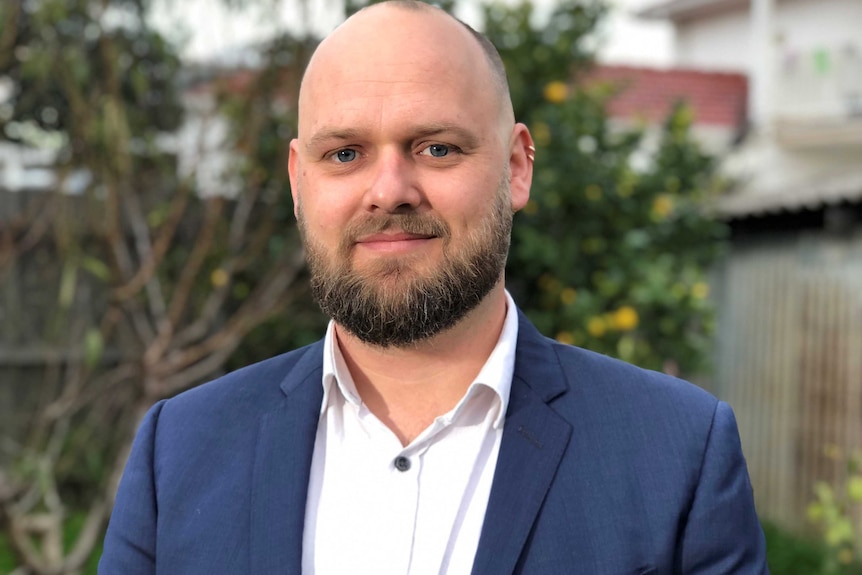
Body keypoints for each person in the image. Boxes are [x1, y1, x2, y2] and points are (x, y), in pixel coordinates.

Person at [99, 2, 769, 573]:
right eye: (345, 154)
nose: (389, 190)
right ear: (300, 182)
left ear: (516, 167)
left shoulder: (676, 454)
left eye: (436, 148)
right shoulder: (179, 450)